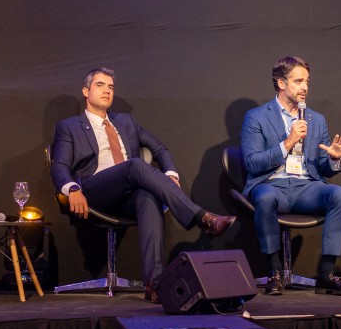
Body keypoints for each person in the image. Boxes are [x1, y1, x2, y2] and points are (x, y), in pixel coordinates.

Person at [49, 67, 236, 303]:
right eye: (100, 85)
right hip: (94, 191)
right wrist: (72, 189)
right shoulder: (69, 126)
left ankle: (154, 284)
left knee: (148, 198)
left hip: (127, 193)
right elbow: (59, 165)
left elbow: (160, 149)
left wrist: (171, 173)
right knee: (134, 165)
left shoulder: (125, 122)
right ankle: (202, 217)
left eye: (111, 87)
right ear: (86, 91)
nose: (107, 91)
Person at [240, 56, 341, 296]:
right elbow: (252, 163)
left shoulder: (316, 119)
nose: (305, 87)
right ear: (281, 83)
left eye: (307, 81)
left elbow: (323, 167)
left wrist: (334, 158)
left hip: (306, 187)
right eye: (298, 81)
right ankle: (274, 273)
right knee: (265, 198)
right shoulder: (256, 117)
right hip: (272, 184)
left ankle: (326, 273)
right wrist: (288, 142)